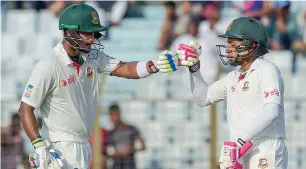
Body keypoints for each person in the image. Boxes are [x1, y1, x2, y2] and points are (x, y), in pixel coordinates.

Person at [18, 3, 180, 169]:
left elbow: (122, 68)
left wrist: (153, 65)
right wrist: (38, 145)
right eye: (87, 33)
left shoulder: (92, 57)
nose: (92, 38)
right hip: (61, 147)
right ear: (68, 31)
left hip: (83, 144)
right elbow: (25, 108)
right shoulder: (49, 64)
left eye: (93, 33)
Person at [178, 17, 287, 169]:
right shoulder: (234, 76)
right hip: (239, 150)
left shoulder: (267, 69)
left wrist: (240, 142)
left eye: (232, 44)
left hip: (265, 146)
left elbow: (272, 111)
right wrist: (194, 68)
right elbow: (202, 98)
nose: (227, 48)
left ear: (250, 46)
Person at [105, 104, 146, 169]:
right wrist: (115, 154)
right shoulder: (110, 134)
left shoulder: (132, 129)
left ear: (119, 114)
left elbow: (143, 146)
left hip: (130, 166)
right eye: (110, 115)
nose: (112, 118)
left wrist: (131, 149)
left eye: (114, 115)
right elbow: (106, 152)